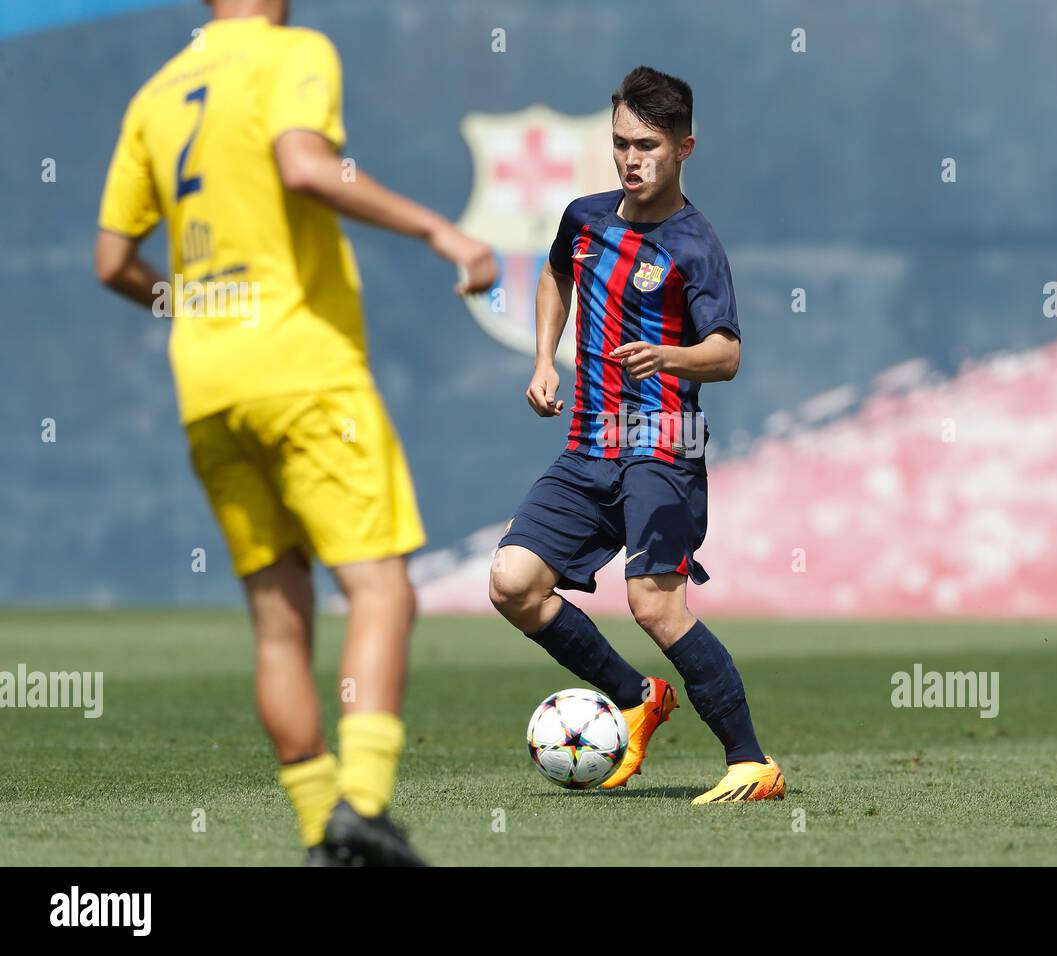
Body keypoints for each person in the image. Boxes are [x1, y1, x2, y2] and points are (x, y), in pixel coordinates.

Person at [94, 0, 496, 864]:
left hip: (207, 384)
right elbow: (305, 166)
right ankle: (363, 804)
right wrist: (439, 228)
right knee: (383, 589)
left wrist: (193, 303)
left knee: (280, 624)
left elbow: (111, 260)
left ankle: (324, 832)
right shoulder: (293, 50)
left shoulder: (157, 92)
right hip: (302, 371)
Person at [489, 66, 784, 804]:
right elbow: (555, 276)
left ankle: (752, 761)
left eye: (647, 145)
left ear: (685, 147)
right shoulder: (585, 218)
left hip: (663, 443)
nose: (630, 159)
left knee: (654, 604)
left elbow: (728, 355)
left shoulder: (695, 244)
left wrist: (670, 355)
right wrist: (542, 360)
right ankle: (635, 695)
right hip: (589, 444)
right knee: (512, 584)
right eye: (620, 143)